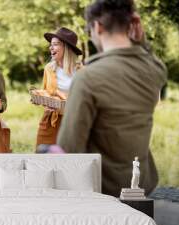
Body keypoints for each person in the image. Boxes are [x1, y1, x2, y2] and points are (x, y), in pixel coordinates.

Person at [56, 0, 167, 197]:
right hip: (141, 183)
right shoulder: (154, 70)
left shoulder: (88, 78)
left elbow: (69, 149)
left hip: (104, 188)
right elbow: (149, 59)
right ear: (131, 25)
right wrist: (141, 42)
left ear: (97, 27)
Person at [35, 27, 82, 149]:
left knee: (72, 159)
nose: (51, 48)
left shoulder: (81, 71)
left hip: (74, 122)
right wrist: (43, 102)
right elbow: (45, 92)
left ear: (66, 48)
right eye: (51, 45)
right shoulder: (49, 68)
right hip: (51, 121)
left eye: (55, 45)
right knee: (43, 156)